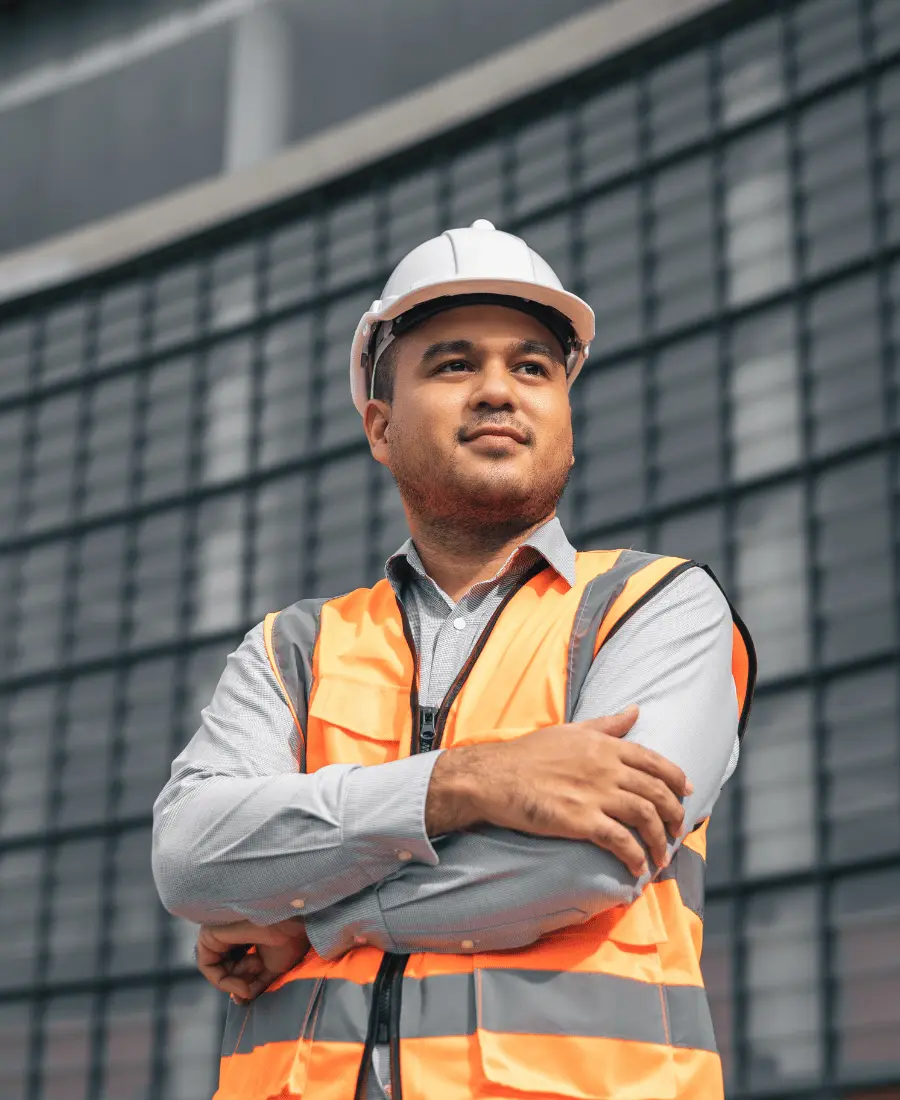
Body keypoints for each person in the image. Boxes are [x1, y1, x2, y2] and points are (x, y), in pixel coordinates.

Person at [152, 219, 756, 1100]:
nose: (498, 390)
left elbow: (587, 860)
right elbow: (191, 859)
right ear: (380, 427)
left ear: (567, 423)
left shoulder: (654, 606)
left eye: (533, 367)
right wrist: (463, 783)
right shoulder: (292, 648)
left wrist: (313, 920)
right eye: (453, 364)